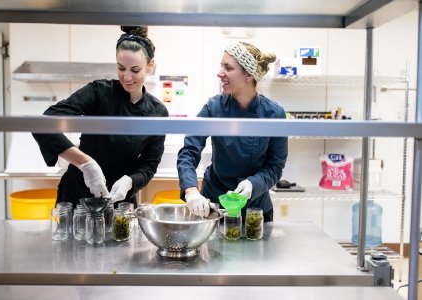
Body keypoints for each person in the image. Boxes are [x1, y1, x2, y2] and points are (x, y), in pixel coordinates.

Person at [33, 26, 168, 208]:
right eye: (121, 68)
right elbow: (44, 124)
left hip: (120, 201)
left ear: (150, 65)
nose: (127, 77)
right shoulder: (98, 92)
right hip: (77, 197)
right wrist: (86, 164)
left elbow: (149, 165)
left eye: (135, 70)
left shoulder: (157, 112)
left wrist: (130, 181)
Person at [177, 41, 288, 221]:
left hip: (255, 210)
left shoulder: (274, 113)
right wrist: (190, 190)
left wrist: (254, 184)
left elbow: (275, 165)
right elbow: (189, 151)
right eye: (221, 66)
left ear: (249, 74)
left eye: (228, 68)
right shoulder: (213, 107)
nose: (220, 73)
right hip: (214, 207)